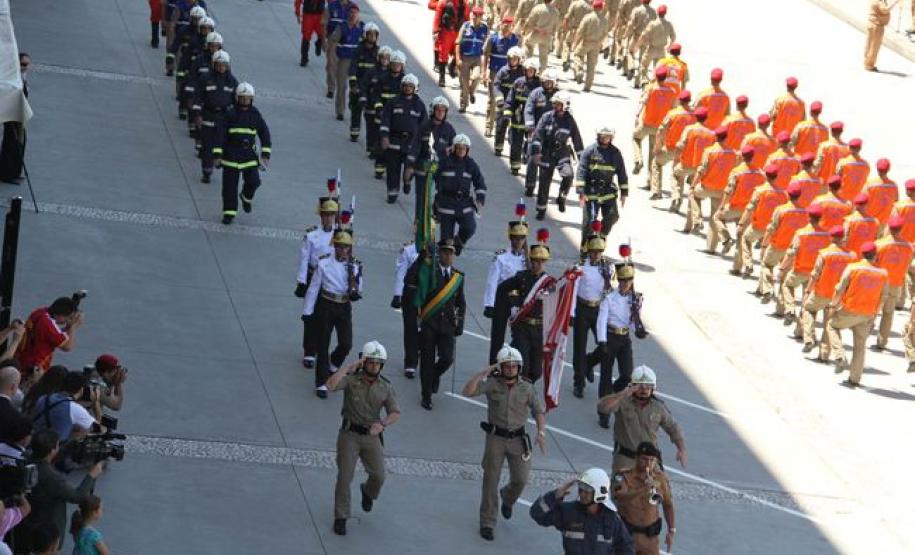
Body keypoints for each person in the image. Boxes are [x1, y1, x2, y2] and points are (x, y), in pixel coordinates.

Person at [463, 346, 546, 541]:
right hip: (496, 438)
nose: (510, 369)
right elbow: (468, 392)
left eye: (514, 366)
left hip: (518, 439)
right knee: (490, 481)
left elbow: (538, 411)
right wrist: (481, 374)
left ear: (519, 367)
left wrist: (541, 432)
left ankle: (508, 498)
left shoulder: (526, 387)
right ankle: (487, 522)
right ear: (500, 367)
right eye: (506, 366)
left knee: (521, 479)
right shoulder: (492, 384)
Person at [326, 342, 400, 536]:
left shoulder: (385, 386)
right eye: (371, 362)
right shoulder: (351, 379)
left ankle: (368, 492)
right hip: (349, 434)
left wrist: (382, 424)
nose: (375, 367)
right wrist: (348, 368)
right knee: (344, 477)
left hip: (371, 435)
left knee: (379, 476)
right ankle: (341, 516)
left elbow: (395, 412)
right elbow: (330, 385)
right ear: (364, 362)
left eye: (379, 363)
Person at [14, 429, 103, 553]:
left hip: (23, 522)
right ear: (53, 450)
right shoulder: (52, 478)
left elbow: (48, 459)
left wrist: (71, 444)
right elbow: (77, 496)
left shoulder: (25, 459)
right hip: (46, 528)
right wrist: (92, 475)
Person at [405, 239, 465, 410]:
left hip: (447, 325)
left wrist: (460, 323)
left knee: (447, 358)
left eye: (450, 252)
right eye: (444, 252)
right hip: (429, 323)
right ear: (439, 253)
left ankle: (434, 376)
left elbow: (461, 302)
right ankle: (426, 396)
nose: (447, 255)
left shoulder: (457, 277)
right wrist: (422, 257)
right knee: (427, 361)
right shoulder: (428, 271)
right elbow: (410, 279)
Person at [303, 229, 362, 398]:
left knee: (346, 343)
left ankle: (333, 364)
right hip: (326, 304)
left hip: (343, 305)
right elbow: (314, 288)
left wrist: (355, 288)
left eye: (346, 247)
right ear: (334, 246)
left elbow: (359, 288)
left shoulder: (355, 265)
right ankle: (321, 382)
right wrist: (307, 311)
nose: (343, 250)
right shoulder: (323, 263)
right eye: (340, 247)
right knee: (323, 345)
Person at [597, 365, 686, 472]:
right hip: (626, 458)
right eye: (640, 386)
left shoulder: (658, 407)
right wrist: (623, 394)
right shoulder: (623, 402)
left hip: (650, 460)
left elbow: (673, 427)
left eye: (648, 386)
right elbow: (603, 408)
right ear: (632, 386)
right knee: (621, 487)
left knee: (660, 486)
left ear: (653, 388)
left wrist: (681, 449)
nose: (644, 390)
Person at [825, 242, 889, 386]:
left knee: (831, 326)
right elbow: (883, 296)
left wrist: (833, 306)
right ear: (876, 255)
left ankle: (840, 356)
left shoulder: (853, 268)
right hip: (867, 313)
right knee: (860, 346)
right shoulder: (883, 273)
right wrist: (875, 315)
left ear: (862, 254)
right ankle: (855, 378)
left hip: (849, 309)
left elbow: (840, 288)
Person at [529, 468, 634, 554]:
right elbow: (536, 514)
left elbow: (627, 548)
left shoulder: (612, 519)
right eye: (581, 488)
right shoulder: (568, 512)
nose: (582, 494)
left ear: (599, 493)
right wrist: (554, 495)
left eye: (587, 490)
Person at [593, 263, 645, 427]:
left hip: (624, 338)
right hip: (610, 336)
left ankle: (614, 393)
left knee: (628, 375)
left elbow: (632, 321)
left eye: (628, 280)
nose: (625, 283)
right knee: (605, 376)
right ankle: (604, 413)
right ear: (618, 280)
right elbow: (601, 321)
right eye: (622, 280)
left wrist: (638, 330)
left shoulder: (635, 299)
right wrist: (602, 341)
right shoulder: (609, 297)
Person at [212, 83, 272, 225]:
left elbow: (264, 133)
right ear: (237, 98)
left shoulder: (255, 114)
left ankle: (246, 196)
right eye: (243, 98)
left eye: (248, 98)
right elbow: (220, 134)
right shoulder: (230, 114)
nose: (245, 101)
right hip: (231, 156)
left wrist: (265, 153)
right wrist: (217, 154)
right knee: (229, 188)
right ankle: (229, 213)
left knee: (254, 181)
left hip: (248, 156)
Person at [499, 238, 552, 382]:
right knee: (525, 367)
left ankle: (524, 389)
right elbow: (505, 289)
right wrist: (513, 306)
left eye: (541, 261)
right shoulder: (522, 277)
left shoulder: (550, 283)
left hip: (539, 329)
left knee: (536, 371)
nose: (538, 264)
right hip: (522, 326)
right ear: (531, 260)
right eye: (535, 260)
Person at [296, 197, 339, 368]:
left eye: (331, 215)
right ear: (321, 216)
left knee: (325, 315)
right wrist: (301, 281)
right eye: (325, 215)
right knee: (310, 314)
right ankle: (309, 350)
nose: (328, 218)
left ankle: (321, 347)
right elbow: (304, 258)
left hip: (331, 279)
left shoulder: (340, 235)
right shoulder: (312, 235)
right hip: (313, 276)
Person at [800, 225, 855, 357]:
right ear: (843, 238)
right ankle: (824, 354)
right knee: (829, 322)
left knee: (808, 309)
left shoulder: (824, 253)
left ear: (831, 237)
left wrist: (807, 291)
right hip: (838, 297)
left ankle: (809, 338)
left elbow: (815, 274)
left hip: (821, 292)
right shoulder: (851, 256)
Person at [612, 442, 675, 555]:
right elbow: (620, 497)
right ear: (636, 458)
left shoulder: (660, 478)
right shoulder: (624, 475)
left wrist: (671, 530)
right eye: (644, 459)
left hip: (650, 538)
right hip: (627, 536)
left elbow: (668, 505)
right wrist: (643, 490)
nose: (648, 463)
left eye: (652, 460)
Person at [571, 231, 613, 398]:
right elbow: (573, 291)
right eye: (594, 251)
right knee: (579, 347)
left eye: (599, 252)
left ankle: (589, 362)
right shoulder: (581, 265)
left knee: (605, 345)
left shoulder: (607, 267)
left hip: (598, 309)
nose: (596, 255)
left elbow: (609, 291)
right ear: (588, 251)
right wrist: (571, 312)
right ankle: (579, 381)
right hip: (582, 308)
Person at [530, 91, 583, 219]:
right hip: (546, 153)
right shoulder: (546, 117)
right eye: (554, 103)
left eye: (558, 104)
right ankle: (541, 210)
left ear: (565, 105)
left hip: (562, 154)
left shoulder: (570, 121)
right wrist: (536, 153)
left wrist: (582, 159)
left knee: (568, 175)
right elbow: (537, 136)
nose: (555, 106)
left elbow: (577, 140)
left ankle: (562, 197)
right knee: (544, 183)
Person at [483, 219, 529, 364]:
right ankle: (494, 366)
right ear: (510, 238)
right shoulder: (501, 257)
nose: (518, 241)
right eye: (515, 238)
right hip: (502, 299)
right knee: (497, 336)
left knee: (520, 336)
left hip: (519, 301)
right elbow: (492, 281)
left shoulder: (527, 259)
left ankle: (515, 364)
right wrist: (489, 304)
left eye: (521, 238)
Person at [775, 205, 831, 323]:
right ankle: (801, 330)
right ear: (820, 218)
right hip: (816, 275)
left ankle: (790, 309)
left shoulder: (801, 234)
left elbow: (792, 252)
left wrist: (782, 267)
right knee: (807, 300)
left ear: (809, 217)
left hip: (800, 270)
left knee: (787, 285)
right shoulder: (826, 236)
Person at [684, 126, 737, 246]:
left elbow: (701, 170)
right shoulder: (733, 153)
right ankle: (716, 244)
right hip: (722, 190)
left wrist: (693, 185)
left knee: (693, 194)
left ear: (715, 137)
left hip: (706, 186)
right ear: (726, 137)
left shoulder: (709, 151)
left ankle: (697, 220)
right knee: (715, 216)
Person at [730, 165, 787, 278]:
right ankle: (763, 285)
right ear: (776, 176)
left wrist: (741, 223)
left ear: (766, 176)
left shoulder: (760, 191)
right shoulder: (783, 194)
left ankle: (748, 264)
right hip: (773, 230)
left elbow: (750, 208)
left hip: (758, 226)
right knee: (765, 256)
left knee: (746, 239)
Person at [432, 134, 486, 251]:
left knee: (470, 228)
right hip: (446, 204)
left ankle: (458, 243)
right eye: (458, 147)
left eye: (464, 148)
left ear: (467, 150)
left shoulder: (471, 164)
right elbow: (433, 174)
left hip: (464, 204)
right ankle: (445, 259)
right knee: (446, 242)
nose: (461, 150)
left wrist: (480, 199)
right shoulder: (445, 162)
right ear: (454, 148)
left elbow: (480, 183)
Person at [15, 298, 83, 390]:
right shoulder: (48, 324)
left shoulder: (39, 313)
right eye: (68, 318)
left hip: (22, 360)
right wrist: (73, 327)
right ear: (59, 315)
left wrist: (68, 327)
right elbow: (67, 346)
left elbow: (52, 335)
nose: (68, 321)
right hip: (32, 370)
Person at [380, 74, 428, 204]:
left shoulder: (420, 106)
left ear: (415, 88)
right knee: (392, 170)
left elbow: (425, 127)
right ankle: (392, 193)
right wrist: (384, 137)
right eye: (406, 86)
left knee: (409, 169)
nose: (407, 88)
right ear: (402, 86)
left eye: (410, 86)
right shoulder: (393, 102)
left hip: (411, 144)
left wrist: (424, 145)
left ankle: (407, 181)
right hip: (394, 141)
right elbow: (385, 120)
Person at [758, 183, 808, 304]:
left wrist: (764, 244)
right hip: (792, 250)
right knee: (784, 276)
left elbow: (772, 229)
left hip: (777, 245)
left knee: (767, 265)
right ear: (799, 195)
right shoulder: (805, 212)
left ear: (787, 194)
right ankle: (781, 308)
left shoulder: (781, 210)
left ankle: (768, 290)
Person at [192, 50, 237, 184]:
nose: (221, 68)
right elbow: (197, 97)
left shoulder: (232, 82)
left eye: (224, 65)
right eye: (218, 65)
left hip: (223, 118)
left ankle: (218, 159)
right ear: (213, 64)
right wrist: (197, 115)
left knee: (222, 143)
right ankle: (207, 171)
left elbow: (236, 102)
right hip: (208, 115)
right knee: (207, 146)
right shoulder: (206, 79)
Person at [577, 126, 629, 239]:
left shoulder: (615, 153)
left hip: (608, 191)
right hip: (590, 192)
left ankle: (601, 238)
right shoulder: (590, 151)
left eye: (608, 136)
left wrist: (624, 192)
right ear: (599, 136)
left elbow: (622, 173)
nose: (606, 138)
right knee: (589, 222)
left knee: (613, 216)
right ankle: (585, 251)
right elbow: (581, 170)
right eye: (604, 136)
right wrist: (581, 191)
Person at [713, 145, 764, 256]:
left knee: (717, 217)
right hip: (749, 211)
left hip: (735, 207)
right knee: (742, 233)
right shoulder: (760, 173)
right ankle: (741, 261)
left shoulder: (736, 171)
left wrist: (722, 206)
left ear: (742, 156)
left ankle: (726, 239)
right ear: (753, 156)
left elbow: (729, 191)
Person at [872, 217, 912, 350]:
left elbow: (873, 263)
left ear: (888, 227)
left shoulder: (879, 244)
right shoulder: (908, 247)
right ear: (901, 229)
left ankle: (864, 333)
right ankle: (882, 342)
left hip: (878, 283)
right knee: (888, 313)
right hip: (895, 283)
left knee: (872, 309)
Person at [407, 96, 455, 201]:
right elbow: (415, 146)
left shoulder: (449, 129)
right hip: (424, 164)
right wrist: (410, 165)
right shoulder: (424, 127)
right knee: (423, 196)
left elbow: (455, 146)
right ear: (432, 110)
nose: (440, 113)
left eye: (443, 110)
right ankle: (421, 217)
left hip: (441, 166)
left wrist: (451, 150)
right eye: (438, 109)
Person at [631, 66, 675, 179]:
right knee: (653, 153)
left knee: (636, 137)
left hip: (647, 123)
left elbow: (642, 102)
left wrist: (637, 114)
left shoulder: (650, 88)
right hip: (660, 127)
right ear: (666, 77)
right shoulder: (671, 92)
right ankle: (650, 180)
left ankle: (638, 159)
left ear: (656, 76)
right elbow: (674, 110)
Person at [30, 372, 100, 443]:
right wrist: (96, 401)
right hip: (51, 449)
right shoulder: (75, 409)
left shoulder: (44, 398)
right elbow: (98, 429)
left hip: (33, 441)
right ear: (81, 390)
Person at [367, 50, 406, 178]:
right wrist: (378, 108)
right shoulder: (383, 79)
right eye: (394, 64)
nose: (396, 67)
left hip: (398, 118)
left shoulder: (405, 82)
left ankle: (392, 167)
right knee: (381, 142)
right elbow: (375, 94)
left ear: (402, 66)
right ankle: (379, 168)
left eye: (398, 65)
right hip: (383, 115)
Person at [523, 67, 561, 193]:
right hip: (536, 131)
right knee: (532, 159)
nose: (548, 84)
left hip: (551, 134)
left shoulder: (560, 96)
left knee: (547, 163)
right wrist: (530, 125)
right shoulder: (535, 93)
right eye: (546, 82)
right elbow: (528, 109)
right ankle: (530, 185)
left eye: (551, 82)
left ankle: (543, 190)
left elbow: (567, 115)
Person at [649, 89, 693, 200]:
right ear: (689, 100)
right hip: (685, 151)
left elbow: (660, 130)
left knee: (656, 163)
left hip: (670, 148)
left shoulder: (672, 113)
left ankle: (656, 190)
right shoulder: (694, 115)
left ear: (679, 100)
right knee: (679, 173)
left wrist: (657, 146)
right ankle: (676, 197)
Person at [670, 106, 714, 214]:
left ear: (696, 117)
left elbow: (680, 146)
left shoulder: (689, 129)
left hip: (686, 164)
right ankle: (694, 220)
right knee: (693, 191)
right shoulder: (711, 133)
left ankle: (676, 197)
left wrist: (675, 160)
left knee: (675, 175)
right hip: (700, 168)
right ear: (706, 118)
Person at [504, 58, 541, 175]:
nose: (529, 72)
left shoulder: (540, 85)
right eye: (527, 70)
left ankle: (526, 154)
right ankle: (515, 166)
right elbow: (511, 99)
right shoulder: (518, 82)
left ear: (536, 71)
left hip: (531, 119)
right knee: (515, 144)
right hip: (518, 117)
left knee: (530, 143)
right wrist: (508, 112)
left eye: (531, 70)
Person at [391, 237, 420, 379]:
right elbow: (401, 272)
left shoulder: (438, 250)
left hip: (429, 295)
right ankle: (411, 362)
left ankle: (421, 354)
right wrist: (398, 294)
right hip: (411, 293)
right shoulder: (408, 250)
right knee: (411, 329)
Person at [329, 6, 365, 122]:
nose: (352, 15)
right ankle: (340, 111)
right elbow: (333, 41)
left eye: (355, 13)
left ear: (358, 14)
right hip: (344, 60)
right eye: (351, 12)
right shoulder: (342, 27)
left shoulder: (362, 28)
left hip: (358, 61)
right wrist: (332, 58)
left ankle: (352, 103)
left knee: (357, 86)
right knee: (342, 86)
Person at [0, 53, 30, 185]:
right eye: (23, 64)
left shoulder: (22, 76)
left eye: (27, 64)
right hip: (13, 115)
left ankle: (15, 171)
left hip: (19, 115)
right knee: (11, 143)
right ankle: (6, 173)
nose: (25, 67)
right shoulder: (14, 78)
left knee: (20, 142)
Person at [358, 45, 392, 159]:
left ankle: (378, 149)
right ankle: (371, 148)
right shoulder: (371, 72)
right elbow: (364, 86)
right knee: (371, 129)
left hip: (383, 108)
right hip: (371, 106)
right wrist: (363, 99)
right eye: (383, 58)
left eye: (387, 58)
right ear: (379, 58)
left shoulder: (392, 74)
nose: (385, 61)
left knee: (380, 130)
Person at [347, 25, 380, 142]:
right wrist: (353, 84)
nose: (372, 37)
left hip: (372, 88)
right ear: (365, 35)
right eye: (370, 34)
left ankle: (371, 141)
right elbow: (352, 68)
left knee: (371, 115)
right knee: (356, 110)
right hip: (359, 86)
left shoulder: (378, 52)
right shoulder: (358, 50)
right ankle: (354, 132)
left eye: (374, 34)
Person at [487, 46, 523, 148]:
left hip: (516, 104)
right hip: (503, 103)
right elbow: (496, 85)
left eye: (515, 59)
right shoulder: (503, 71)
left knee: (516, 126)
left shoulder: (523, 73)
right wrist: (499, 98)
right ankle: (498, 146)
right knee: (501, 125)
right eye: (511, 59)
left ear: (520, 60)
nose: (512, 61)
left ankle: (513, 142)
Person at [570, 0, 609, 92]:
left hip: (586, 42)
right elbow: (605, 34)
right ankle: (588, 86)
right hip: (596, 44)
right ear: (602, 8)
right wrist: (600, 42)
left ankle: (579, 70)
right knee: (591, 66)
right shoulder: (604, 20)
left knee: (577, 55)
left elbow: (580, 31)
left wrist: (575, 43)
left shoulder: (588, 17)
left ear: (593, 6)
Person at [456, 7, 489, 113]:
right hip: (465, 57)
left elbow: (487, 44)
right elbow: (457, 43)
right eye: (473, 15)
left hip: (477, 58)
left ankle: (471, 92)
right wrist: (457, 59)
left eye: (477, 16)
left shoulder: (485, 28)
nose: (474, 17)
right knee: (464, 82)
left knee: (477, 77)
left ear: (481, 17)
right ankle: (463, 104)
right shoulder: (465, 26)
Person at [633, 4, 675, 88]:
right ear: (665, 13)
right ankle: (654, 84)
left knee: (643, 65)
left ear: (657, 13)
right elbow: (673, 36)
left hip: (651, 48)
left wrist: (637, 45)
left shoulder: (653, 24)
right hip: (661, 50)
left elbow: (643, 35)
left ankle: (644, 80)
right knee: (658, 69)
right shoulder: (668, 24)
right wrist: (670, 46)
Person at [432, 0, 470, 86]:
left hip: (458, 32)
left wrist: (468, 34)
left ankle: (452, 66)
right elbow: (437, 17)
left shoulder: (465, 5)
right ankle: (442, 78)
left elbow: (467, 20)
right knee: (443, 54)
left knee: (458, 52)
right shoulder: (443, 2)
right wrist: (435, 31)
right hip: (446, 31)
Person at [324, 0, 353, 98]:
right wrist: (323, 40)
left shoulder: (353, 8)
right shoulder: (331, 6)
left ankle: (341, 89)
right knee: (331, 65)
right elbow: (324, 23)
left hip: (347, 43)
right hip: (333, 41)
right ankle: (331, 88)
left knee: (343, 69)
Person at [523, 0, 560, 70]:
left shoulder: (538, 8)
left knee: (528, 44)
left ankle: (528, 65)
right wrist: (549, 32)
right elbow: (556, 27)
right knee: (543, 56)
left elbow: (530, 22)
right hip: (547, 36)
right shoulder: (556, 12)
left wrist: (525, 30)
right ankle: (542, 73)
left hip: (537, 33)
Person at [862, 158, 898, 228]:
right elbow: (896, 203)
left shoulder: (870, 184)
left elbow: (863, 201)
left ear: (877, 169)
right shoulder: (893, 186)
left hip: (871, 221)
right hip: (886, 224)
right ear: (888, 169)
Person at [865, 0, 899, 71]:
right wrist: (895, 2)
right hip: (877, 26)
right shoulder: (879, 2)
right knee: (874, 47)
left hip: (872, 24)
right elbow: (885, 10)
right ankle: (870, 65)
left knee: (869, 45)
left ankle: (867, 63)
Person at [844, 194, 879, 258]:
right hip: (868, 258)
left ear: (855, 205)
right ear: (867, 205)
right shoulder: (874, 221)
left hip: (852, 257)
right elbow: (876, 240)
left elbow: (844, 239)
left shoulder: (849, 220)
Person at [834, 138, 870, 203]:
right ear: (860, 149)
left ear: (849, 148)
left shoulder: (843, 163)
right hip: (858, 200)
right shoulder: (866, 165)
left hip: (843, 198)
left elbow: (837, 180)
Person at [295, 0, 326, 67]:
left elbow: (332, 2)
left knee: (322, 34)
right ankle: (304, 58)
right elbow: (298, 1)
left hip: (320, 15)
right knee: (306, 36)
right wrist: (298, 13)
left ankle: (318, 43)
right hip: (308, 15)